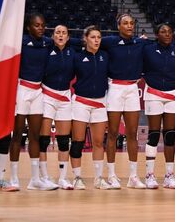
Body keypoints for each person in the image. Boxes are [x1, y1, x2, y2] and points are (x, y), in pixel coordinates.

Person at [9, 13, 58, 191]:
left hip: (38, 91)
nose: (41, 28)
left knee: (35, 136)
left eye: (43, 25)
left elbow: (66, 42)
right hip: (22, 89)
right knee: (17, 136)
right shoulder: (19, 42)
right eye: (37, 25)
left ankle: (35, 179)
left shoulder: (47, 42)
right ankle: (13, 178)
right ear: (28, 27)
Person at [101, 13, 147, 189]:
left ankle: (133, 176)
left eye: (131, 23)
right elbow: (87, 40)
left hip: (132, 89)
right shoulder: (109, 41)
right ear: (118, 25)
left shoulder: (140, 43)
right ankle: (112, 175)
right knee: (112, 133)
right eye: (125, 23)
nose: (129, 26)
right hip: (115, 88)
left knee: (132, 133)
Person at [142, 23, 175, 189]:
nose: (167, 34)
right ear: (157, 34)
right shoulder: (148, 49)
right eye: (163, 32)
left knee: (170, 134)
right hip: (153, 93)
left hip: (172, 94)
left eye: (169, 31)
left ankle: (169, 175)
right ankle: (149, 175)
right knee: (153, 134)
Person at [70, 25, 110, 190]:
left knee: (99, 142)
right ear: (85, 38)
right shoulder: (77, 56)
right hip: (81, 102)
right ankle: (77, 177)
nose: (96, 40)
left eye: (99, 37)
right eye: (92, 37)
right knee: (78, 141)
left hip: (100, 103)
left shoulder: (105, 56)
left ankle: (98, 178)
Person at [38, 25, 75, 190]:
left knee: (63, 140)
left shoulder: (72, 52)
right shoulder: (46, 49)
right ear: (52, 36)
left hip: (65, 97)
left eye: (64, 33)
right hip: (47, 95)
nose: (61, 35)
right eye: (58, 33)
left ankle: (62, 177)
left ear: (68, 37)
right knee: (44, 140)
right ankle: (44, 176)